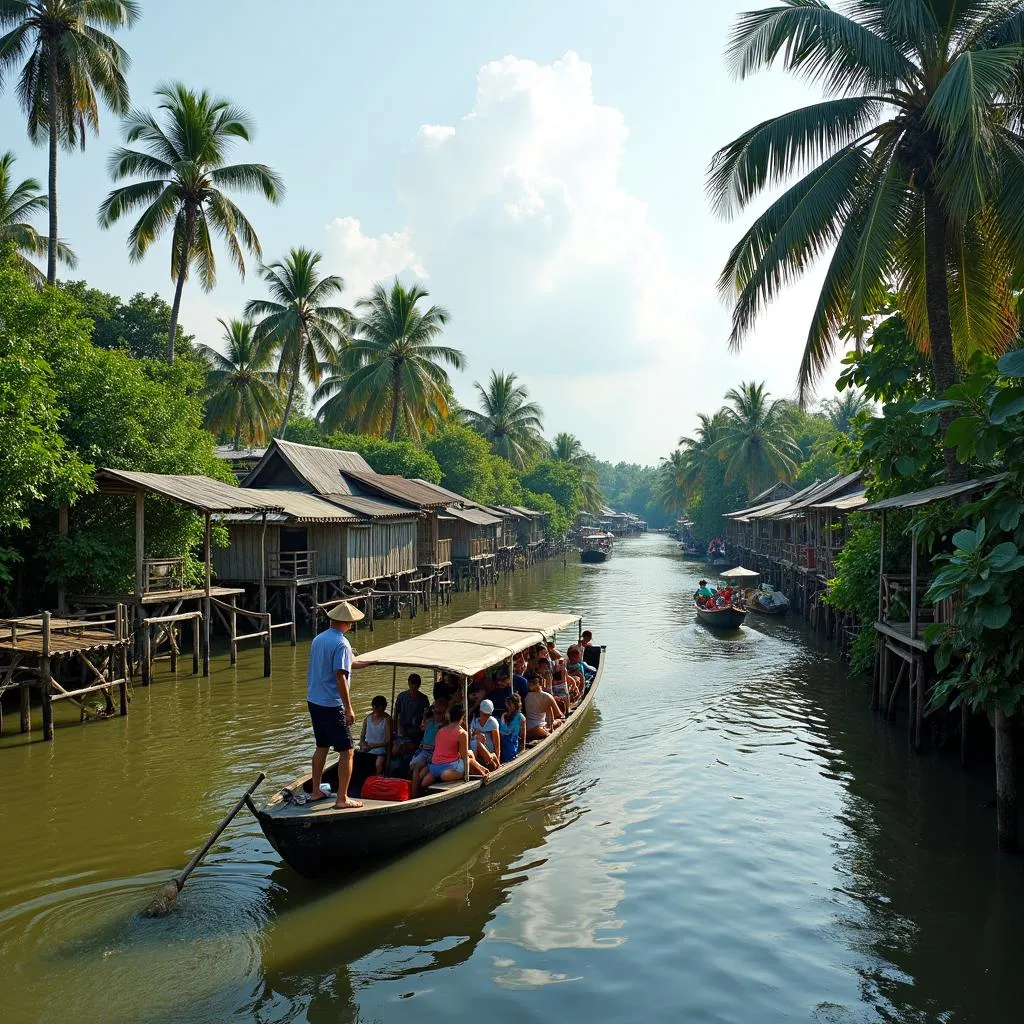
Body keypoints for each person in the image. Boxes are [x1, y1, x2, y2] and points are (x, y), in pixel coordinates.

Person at [306, 600, 364, 809]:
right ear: (347, 623)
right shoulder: (342, 643)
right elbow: (340, 676)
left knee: (321, 746)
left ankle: (315, 792)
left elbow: (346, 663)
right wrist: (348, 708)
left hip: (315, 700)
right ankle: (342, 798)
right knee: (347, 751)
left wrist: (368, 662)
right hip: (332, 704)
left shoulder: (319, 639)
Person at [414, 703, 489, 797]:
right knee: (469, 759)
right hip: (449, 768)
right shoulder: (462, 733)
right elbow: (464, 756)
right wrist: (476, 771)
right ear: (462, 717)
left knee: (424, 783)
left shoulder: (440, 730)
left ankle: (423, 790)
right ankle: (482, 772)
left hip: (435, 767)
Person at [409, 698, 448, 793]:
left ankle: (416, 794)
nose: (438, 715)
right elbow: (423, 725)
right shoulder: (428, 721)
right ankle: (414, 793)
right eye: (436, 712)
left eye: (441, 713)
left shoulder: (445, 725)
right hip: (425, 751)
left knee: (420, 774)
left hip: (435, 753)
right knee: (412, 766)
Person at [392, 673, 429, 759]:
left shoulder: (424, 699)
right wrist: (396, 727)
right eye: (412, 683)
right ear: (408, 683)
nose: (414, 686)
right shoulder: (401, 696)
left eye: (416, 683)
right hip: (402, 728)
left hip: (417, 731)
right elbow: (396, 712)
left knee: (407, 748)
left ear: (419, 685)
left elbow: (426, 716)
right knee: (395, 750)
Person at [359, 695, 392, 775]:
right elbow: (362, 736)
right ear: (373, 707)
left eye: (381, 709)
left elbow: (388, 741)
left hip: (381, 749)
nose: (378, 711)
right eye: (376, 709)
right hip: (367, 747)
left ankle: (379, 779)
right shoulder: (367, 718)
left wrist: (373, 746)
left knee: (378, 764)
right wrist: (363, 744)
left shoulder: (387, 720)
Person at [524, 675, 563, 742]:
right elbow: (559, 714)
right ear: (540, 684)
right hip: (540, 728)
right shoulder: (547, 696)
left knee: (550, 721)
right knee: (559, 721)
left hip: (527, 728)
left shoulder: (526, 696)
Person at [470, 698, 501, 770]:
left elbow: (497, 745)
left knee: (477, 742)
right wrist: (475, 733)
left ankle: (491, 759)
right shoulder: (474, 720)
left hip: (488, 748)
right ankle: (474, 768)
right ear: (480, 712)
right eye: (484, 714)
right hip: (475, 747)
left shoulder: (493, 722)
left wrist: (498, 759)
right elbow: (470, 736)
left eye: (488, 715)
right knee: (475, 742)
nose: (486, 717)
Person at [499, 694, 526, 762]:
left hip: (512, 742)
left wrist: (523, 747)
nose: (509, 706)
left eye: (511, 704)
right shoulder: (504, 715)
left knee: (510, 753)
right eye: (508, 704)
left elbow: (523, 733)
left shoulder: (521, 717)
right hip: (502, 741)